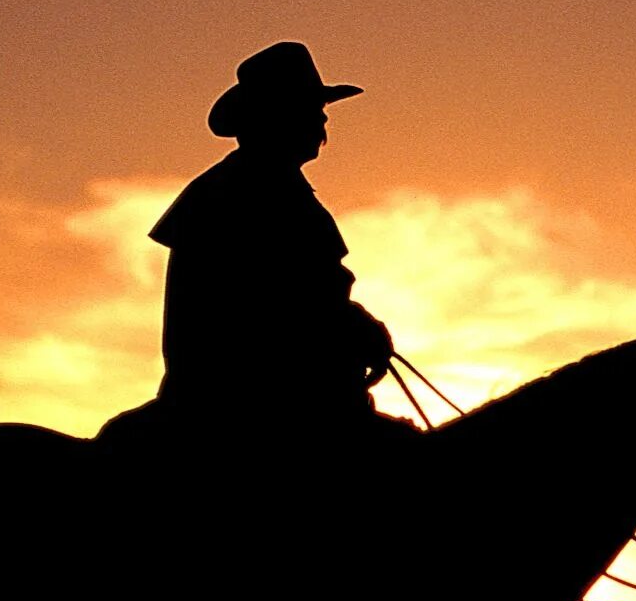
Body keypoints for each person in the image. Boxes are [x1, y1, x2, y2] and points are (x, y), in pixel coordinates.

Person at [103, 42, 415, 458]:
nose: (323, 116)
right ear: (278, 116)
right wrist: (355, 329)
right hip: (258, 408)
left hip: (252, 399)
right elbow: (282, 309)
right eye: (310, 106)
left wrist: (353, 326)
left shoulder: (249, 188)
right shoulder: (255, 194)